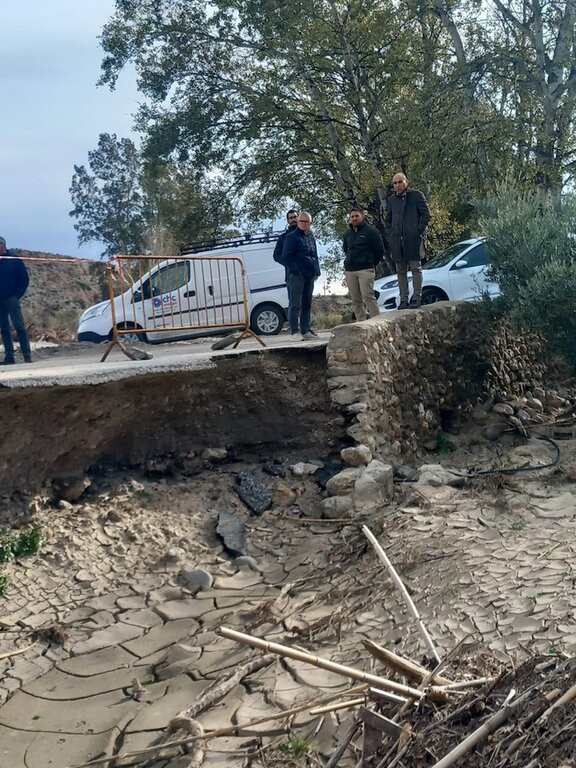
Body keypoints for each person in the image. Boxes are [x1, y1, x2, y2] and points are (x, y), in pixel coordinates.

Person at [385, 173, 431, 309]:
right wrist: (391, 233)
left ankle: (417, 298)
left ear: (406, 182)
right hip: (397, 241)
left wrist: (417, 231)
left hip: (413, 239)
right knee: (401, 271)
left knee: (416, 269)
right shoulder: (391, 200)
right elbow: (388, 220)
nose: (398, 185)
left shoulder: (416, 195)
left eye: (400, 182)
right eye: (395, 183)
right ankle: (403, 299)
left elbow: (426, 215)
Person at [282, 212, 321, 340]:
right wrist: (296, 270)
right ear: (298, 222)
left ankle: (306, 330)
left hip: (309, 275)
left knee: (307, 303)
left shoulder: (310, 237)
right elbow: (287, 256)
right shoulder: (291, 237)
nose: (304, 224)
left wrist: (317, 271)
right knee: (295, 304)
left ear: (310, 224)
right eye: (302, 221)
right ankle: (294, 331)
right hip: (297, 275)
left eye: (307, 222)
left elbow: (314, 255)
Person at [343, 207, 384, 320]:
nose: (354, 218)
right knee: (356, 299)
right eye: (352, 216)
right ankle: (361, 323)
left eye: (357, 216)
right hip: (350, 271)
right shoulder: (348, 234)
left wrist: (370, 262)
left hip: (365, 270)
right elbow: (346, 249)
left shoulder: (372, 232)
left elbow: (380, 251)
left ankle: (377, 322)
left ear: (362, 216)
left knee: (368, 296)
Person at [0, 237, 32, 365]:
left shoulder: (14, 260)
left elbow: (24, 279)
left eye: (0, 245)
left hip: (12, 299)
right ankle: (9, 357)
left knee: (19, 327)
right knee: (4, 329)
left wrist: (17, 295)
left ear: (4, 245)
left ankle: (27, 355)